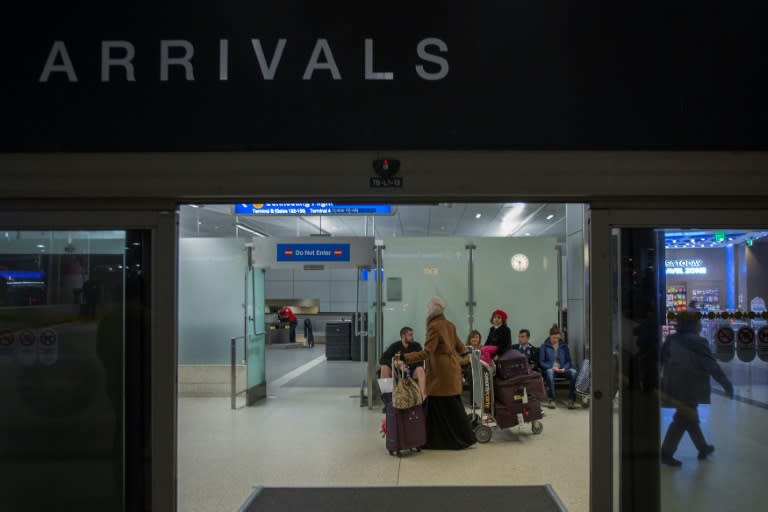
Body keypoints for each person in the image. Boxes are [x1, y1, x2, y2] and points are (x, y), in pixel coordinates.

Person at [400, 296, 476, 450]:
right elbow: (461, 347)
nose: (426, 311)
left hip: (439, 374)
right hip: (452, 371)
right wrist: (467, 357)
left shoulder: (434, 327)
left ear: (432, 311)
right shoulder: (450, 325)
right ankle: (463, 438)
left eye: (427, 308)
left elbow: (427, 352)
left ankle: (433, 440)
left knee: (437, 407)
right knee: (452, 406)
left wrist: (404, 357)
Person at [660, 309, 734, 467]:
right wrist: (726, 384)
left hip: (674, 385)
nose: (701, 325)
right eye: (698, 322)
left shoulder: (671, 339)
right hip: (690, 386)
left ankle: (702, 447)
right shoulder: (699, 342)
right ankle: (666, 453)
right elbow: (711, 365)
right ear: (692, 324)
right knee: (682, 419)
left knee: (689, 417)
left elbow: (662, 361)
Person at [379, 326, 426, 398]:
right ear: (403, 336)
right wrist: (393, 363)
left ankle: (424, 399)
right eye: (410, 335)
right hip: (398, 373)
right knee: (384, 368)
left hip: (412, 372)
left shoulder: (416, 346)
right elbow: (383, 359)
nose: (412, 337)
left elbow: (421, 361)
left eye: (412, 335)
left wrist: (407, 366)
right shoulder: (395, 346)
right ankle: (387, 401)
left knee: (420, 369)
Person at [539, 324, 577, 409]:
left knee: (574, 372)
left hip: (562, 369)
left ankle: (571, 400)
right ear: (550, 336)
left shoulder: (564, 346)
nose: (556, 340)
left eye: (558, 338)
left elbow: (568, 361)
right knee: (549, 372)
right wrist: (552, 367)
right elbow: (541, 362)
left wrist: (564, 368)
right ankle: (552, 400)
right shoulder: (544, 346)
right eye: (554, 338)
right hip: (551, 370)